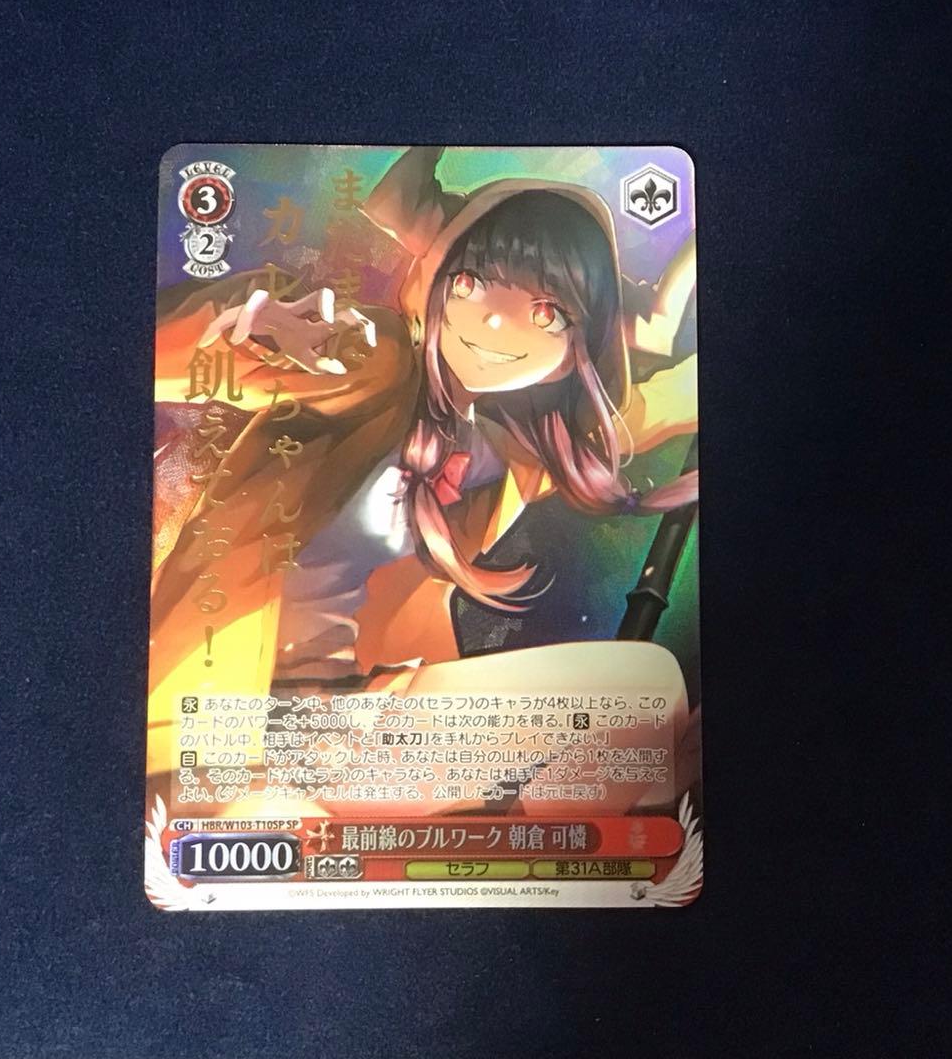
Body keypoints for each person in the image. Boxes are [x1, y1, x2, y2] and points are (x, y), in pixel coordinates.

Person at [148, 147, 698, 817]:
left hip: (353, 724)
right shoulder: (381, 360)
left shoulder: (492, 447)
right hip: (238, 727)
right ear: (435, 279)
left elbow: (634, 417)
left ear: (572, 351)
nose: (494, 321)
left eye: (547, 312)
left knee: (647, 705)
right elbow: (197, 348)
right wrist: (244, 321)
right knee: (644, 704)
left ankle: (527, 844)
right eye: (472, 283)